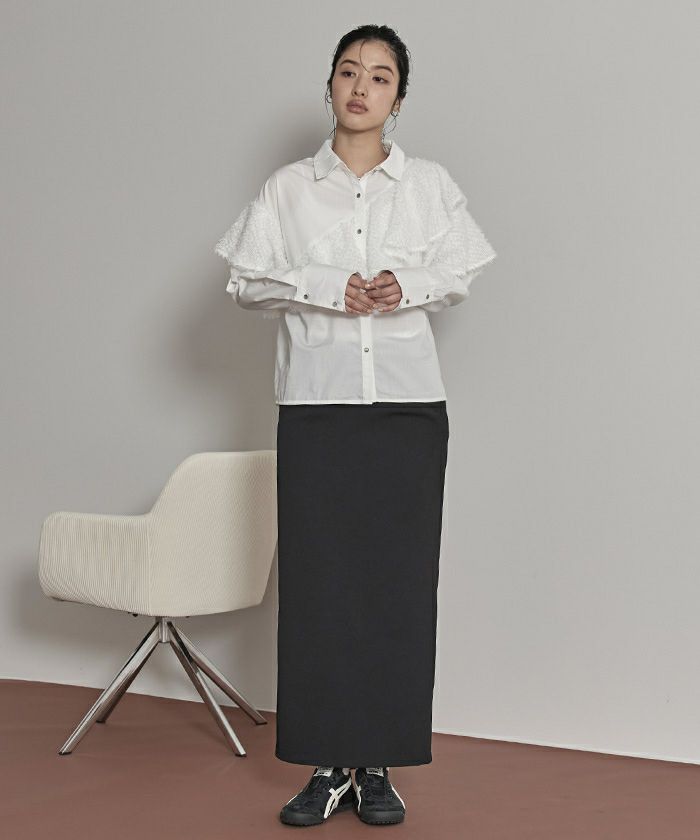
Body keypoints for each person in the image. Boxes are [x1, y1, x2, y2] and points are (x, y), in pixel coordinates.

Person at [214, 24, 496, 828]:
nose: (361, 87)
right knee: (319, 588)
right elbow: (245, 280)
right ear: (330, 84)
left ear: (398, 98)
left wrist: (406, 283)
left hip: (408, 409)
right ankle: (325, 764)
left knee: (398, 588)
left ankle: (377, 765)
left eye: (380, 76)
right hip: (318, 407)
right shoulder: (288, 189)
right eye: (348, 71)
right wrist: (325, 284)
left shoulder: (429, 185)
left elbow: (461, 270)